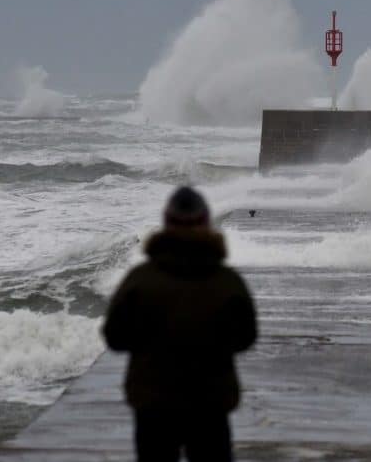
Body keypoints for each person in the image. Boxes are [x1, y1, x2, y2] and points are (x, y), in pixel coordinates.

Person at [103, 186, 257, 462]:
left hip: (153, 404)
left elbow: (115, 337)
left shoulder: (140, 279)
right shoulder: (226, 281)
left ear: (166, 222)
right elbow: (246, 337)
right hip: (210, 404)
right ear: (206, 221)